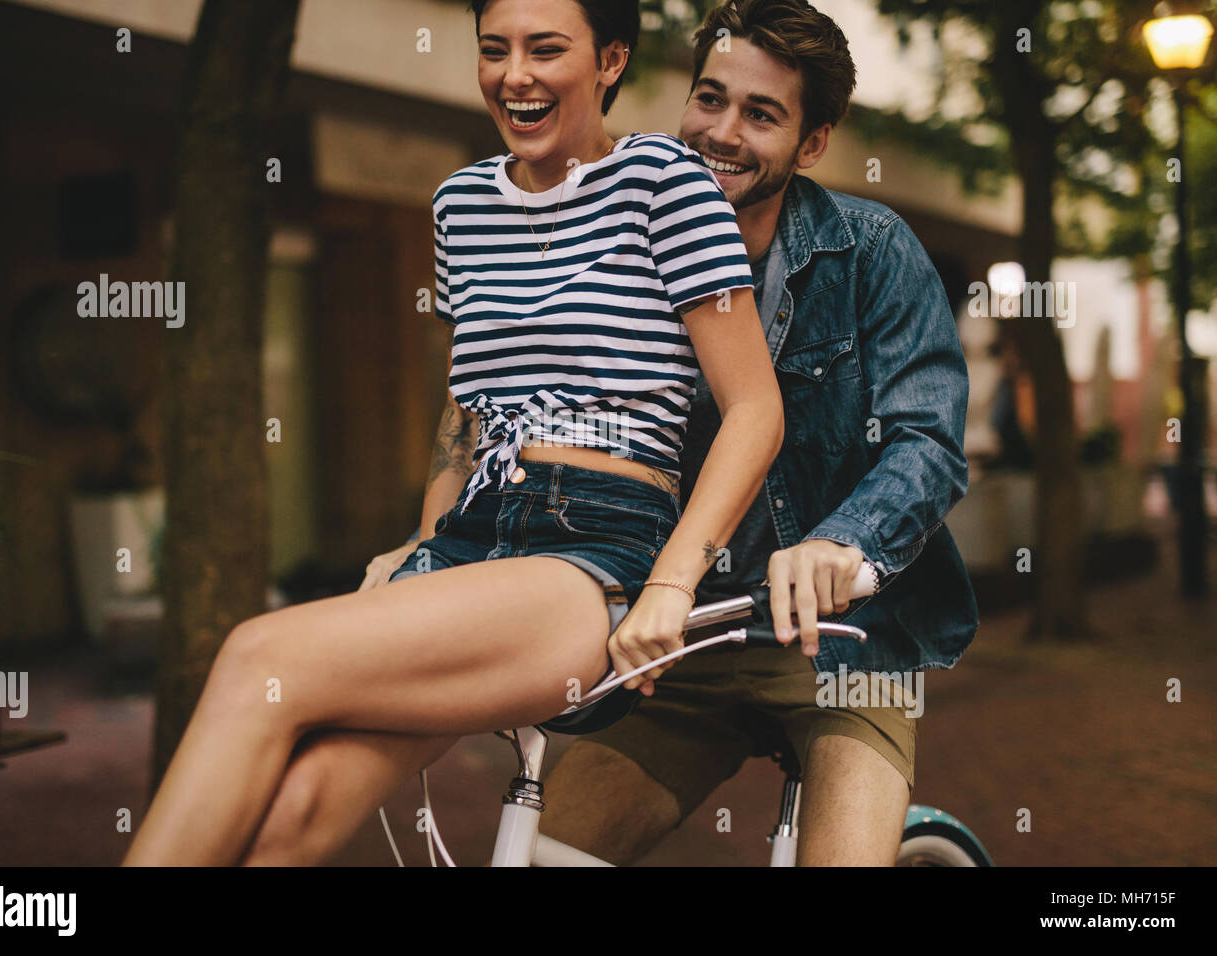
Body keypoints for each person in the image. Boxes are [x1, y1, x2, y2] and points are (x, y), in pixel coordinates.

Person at [231, 0, 979, 868]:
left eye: (761, 114)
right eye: (710, 99)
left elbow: (927, 438)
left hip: (844, 646)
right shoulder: (621, 225)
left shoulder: (872, 249)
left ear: (811, 144)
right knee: (546, 857)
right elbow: (489, 402)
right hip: (676, 642)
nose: (722, 133)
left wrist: (842, 545)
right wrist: (427, 542)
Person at [122, 0, 783, 866]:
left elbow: (754, 410)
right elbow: (466, 409)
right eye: (494, 50)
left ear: (611, 61)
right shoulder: (460, 205)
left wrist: (672, 584)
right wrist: (423, 544)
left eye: (547, 49)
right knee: (297, 807)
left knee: (256, 653)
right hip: (473, 533)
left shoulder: (668, 182)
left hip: (598, 550)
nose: (516, 75)